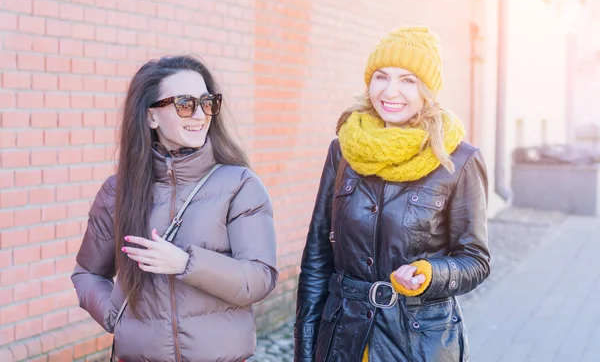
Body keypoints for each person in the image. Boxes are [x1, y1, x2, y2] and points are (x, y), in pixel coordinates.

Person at [294, 26, 491, 362]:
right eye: (381, 77)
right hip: (343, 339)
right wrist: (305, 348)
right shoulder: (342, 151)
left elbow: (475, 261)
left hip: (419, 342)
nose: (390, 91)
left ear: (427, 90)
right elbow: (316, 261)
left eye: (408, 80)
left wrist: (431, 274)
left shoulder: (459, 159)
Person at [71, 55, 278, 362]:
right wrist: (116, 317)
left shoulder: (239, 185)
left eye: (207, 102)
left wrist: (185, 263)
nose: (199, 115)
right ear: (151, 116)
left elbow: (260, 277)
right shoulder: (118, 191)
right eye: (184, 104)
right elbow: (87, 273)